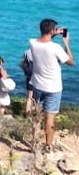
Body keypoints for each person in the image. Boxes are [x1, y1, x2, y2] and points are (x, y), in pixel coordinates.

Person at [25, 19, 74, 152]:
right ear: (52, 31)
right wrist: (66, 43)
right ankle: (47, 146)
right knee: (49, 119)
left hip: (37, 85)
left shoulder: (33, 43)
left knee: (37, 116)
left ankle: (34, 142)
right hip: (53, 88)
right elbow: (71, 62)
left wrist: (53, 33)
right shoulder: (56, 48)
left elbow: (44, 39)